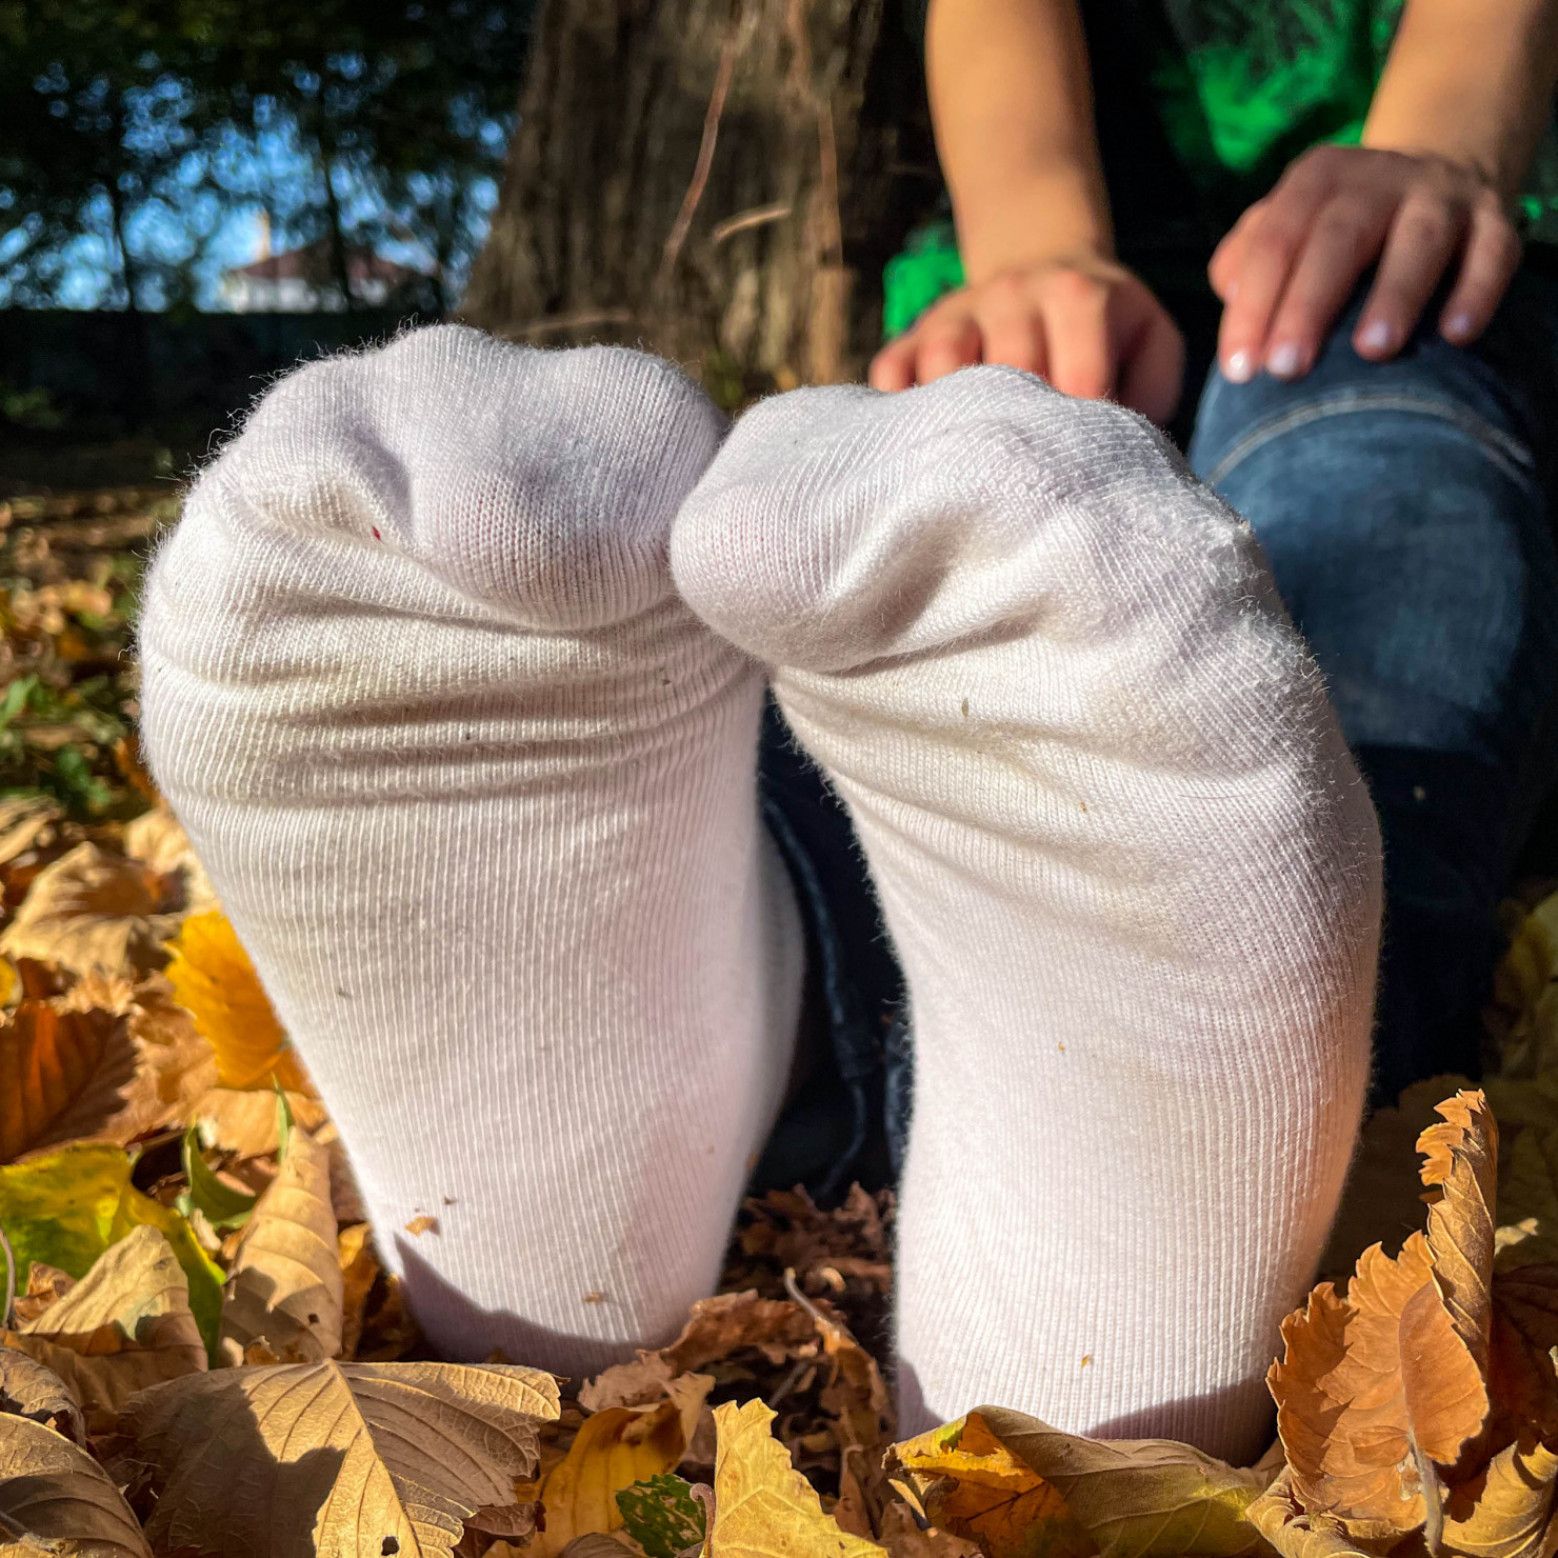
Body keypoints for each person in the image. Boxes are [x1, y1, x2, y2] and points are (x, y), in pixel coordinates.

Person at [140, 326, 1378, 1462]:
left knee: (1355, 429)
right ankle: (1064, 1425)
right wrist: (1036, 237)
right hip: (1169, 296)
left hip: (1372, 270)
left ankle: (749, 1041)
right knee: (1356, 489)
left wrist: (1433, 160)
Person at [873, 0, 1558, 1104]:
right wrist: (1034, 250)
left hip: (1437, 271)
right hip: (1074, 279)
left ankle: (1260, 1033)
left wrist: (1440, 143)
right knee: (1003, 483)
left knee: (1372, 364)